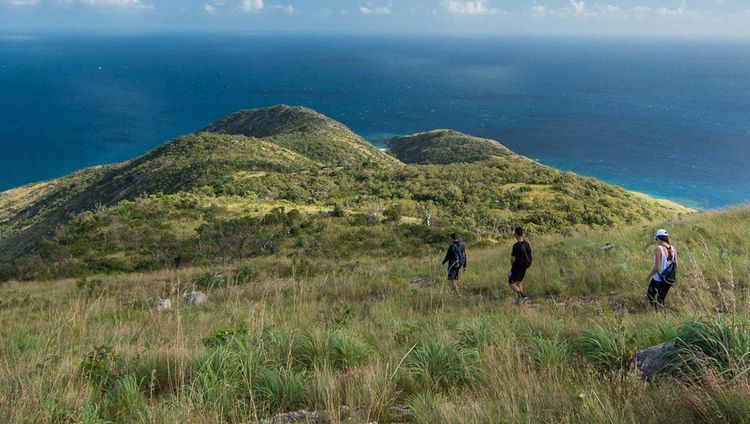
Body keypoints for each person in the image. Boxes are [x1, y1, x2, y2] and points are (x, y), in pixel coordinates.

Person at [646, 228, 677, 309]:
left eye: (657, 239)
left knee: (650, 295)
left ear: (659, 238)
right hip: (668, 279)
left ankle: (655, 312)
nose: (657, 241)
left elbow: (657, 267)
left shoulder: (658, 248)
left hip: (658, 278)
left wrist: (648, 276)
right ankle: (661, 314)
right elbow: (676, 265)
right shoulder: (673, 248)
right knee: (661, 299)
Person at [508, 227, 532, 304]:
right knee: (519, 282)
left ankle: (522, 296)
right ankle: (520, 301)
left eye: (515, 234)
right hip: (524, 267)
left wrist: (512, 268)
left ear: (517, 235)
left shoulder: (516, 246)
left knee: (511, 283)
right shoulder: (527, 244)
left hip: (517, 267)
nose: (514, 236)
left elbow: (513, 259)